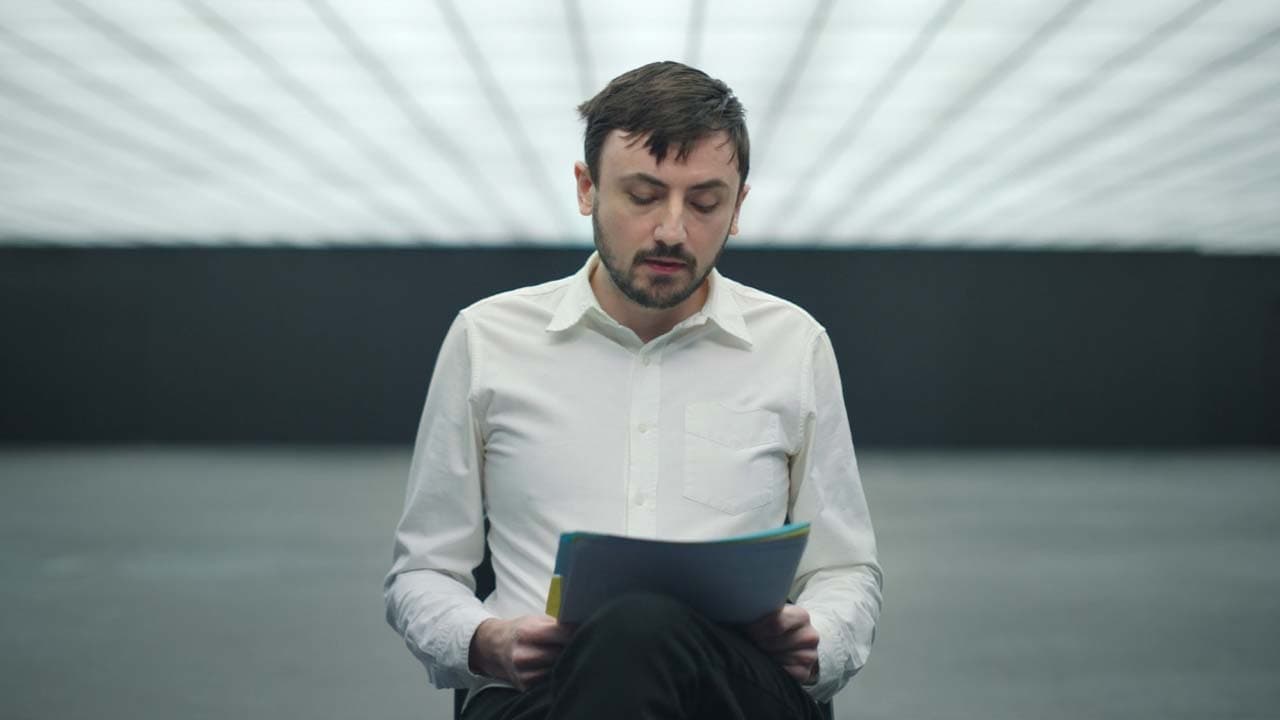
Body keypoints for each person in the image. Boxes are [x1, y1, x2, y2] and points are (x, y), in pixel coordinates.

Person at [384, 61, 881, 720]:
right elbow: (424, 568)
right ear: (586, 188)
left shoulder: (792, 345)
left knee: (639, 629)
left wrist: (819, 637)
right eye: (644, 196)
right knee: (629, 637)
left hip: (734, 692)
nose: (672, 230)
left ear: (737, 208)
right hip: (541, 695)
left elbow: (845, 567)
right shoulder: (488, 339)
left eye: (705, 203)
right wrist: (484, 641)